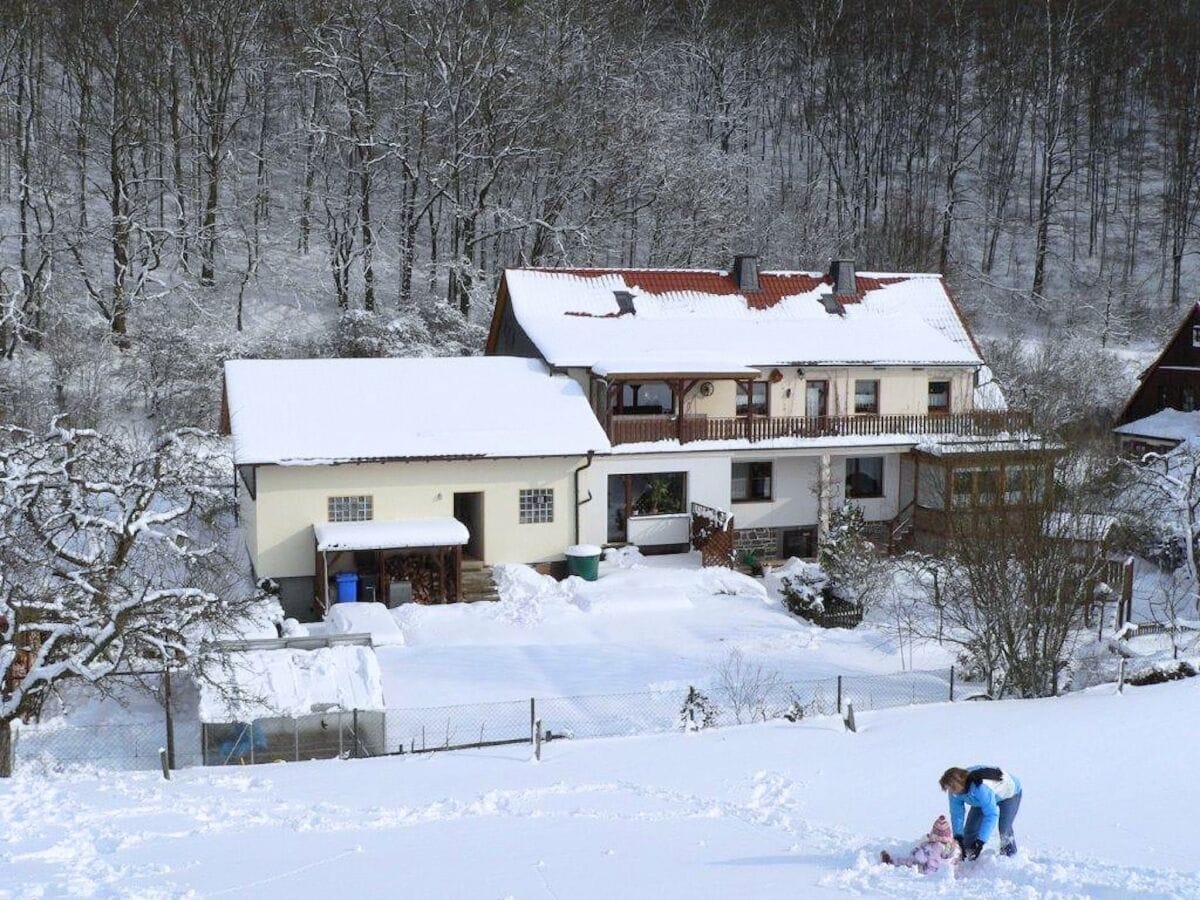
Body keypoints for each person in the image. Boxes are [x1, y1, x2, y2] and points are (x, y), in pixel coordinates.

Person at [939, 765, 1022, 859]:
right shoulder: (954, 791)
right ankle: (968, 857)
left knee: (1004, 828)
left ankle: (1009, 858)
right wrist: (958, 836)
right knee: (970, 830)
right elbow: (957, 814)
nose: (951, 792)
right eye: (948, 789)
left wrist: (980, 842)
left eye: (952, 788)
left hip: (1009, 794)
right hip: (981, 800)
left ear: (960, 783)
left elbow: (991, 814)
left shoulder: (980, 787)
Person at [879, 814, 962, 875]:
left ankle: (891, 862)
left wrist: (919, 849)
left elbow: (920, 857)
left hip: (929, 871)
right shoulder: (950, 847)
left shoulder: (934, 846)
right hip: (942, 871)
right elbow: (954, 858)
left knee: (910, 861)